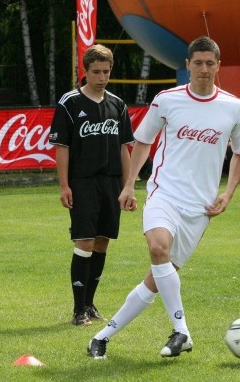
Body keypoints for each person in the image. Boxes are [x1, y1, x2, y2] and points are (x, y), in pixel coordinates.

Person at [87, 36, 240, 359]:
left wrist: (227, 194)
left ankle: (102, 338)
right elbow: (143, 142)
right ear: (187, 66)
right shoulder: (167, 100)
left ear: (219, 66)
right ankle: (182, 331)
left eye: (210, 63)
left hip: (200, 208)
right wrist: (130, 184)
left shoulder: (235, 107)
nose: (204, 69)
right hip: (164, 194)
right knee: (158, 247)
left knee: (156, 279)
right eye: (198, 63)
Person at [49, 44, 134, 326]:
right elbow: (62, 147)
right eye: (96, 72)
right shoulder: (70, 102)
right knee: (84, 241)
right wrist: (64, 185)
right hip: (82, 182)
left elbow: (124, 148)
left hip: (111, 183)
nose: (102, 77)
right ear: (85, 72)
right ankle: (78, 310)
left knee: (102, 242)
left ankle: (90, 302)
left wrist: (128, 186)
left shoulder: (117, 104)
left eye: (106, 72)